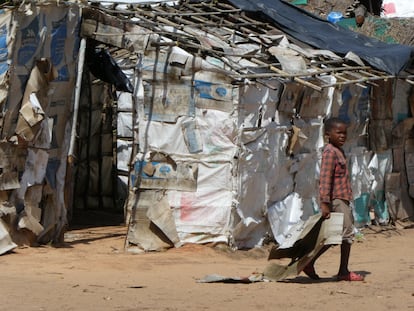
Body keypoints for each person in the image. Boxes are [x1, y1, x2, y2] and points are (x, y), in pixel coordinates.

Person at [303, 117, 364, 281]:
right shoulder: (330, 152)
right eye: (339, 133)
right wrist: (324, 203)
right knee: (346, 234)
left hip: (342, 198)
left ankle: (310, 262)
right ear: (328, 134)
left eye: (345, 133)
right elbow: (325, 178)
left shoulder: (339, 151)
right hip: (336, 199)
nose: (343, 136)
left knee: (336, 236)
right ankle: (343, 271)